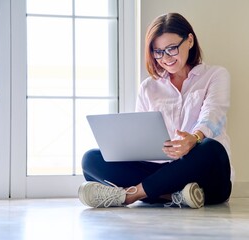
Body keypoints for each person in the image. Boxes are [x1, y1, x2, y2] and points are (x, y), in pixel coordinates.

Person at [78, 12, 233, 209]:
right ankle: (173, 196)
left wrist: (194, 139)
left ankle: (130, 195)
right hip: (160, 171)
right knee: (91, 159)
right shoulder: (148, 87)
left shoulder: (216, 75)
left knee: (211, 148)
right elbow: (139, 135)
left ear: (190, 41)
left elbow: (213, 113)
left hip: (205, 176)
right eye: (158, 51)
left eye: (171, 48)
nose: (165, 58)